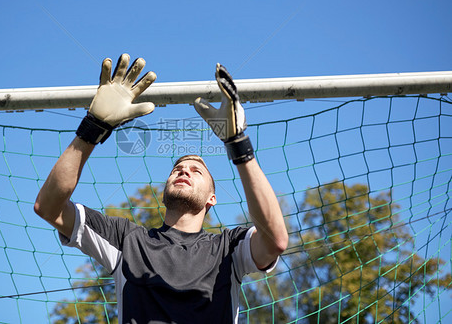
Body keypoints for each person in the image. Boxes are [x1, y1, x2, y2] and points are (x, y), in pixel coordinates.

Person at [34, 54, 288, 324]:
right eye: (177, 169)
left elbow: (276, 241)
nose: (184, 171)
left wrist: (238, 143)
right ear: (164, 189)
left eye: (196, 171)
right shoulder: (126, 240)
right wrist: (91, 127)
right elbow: (48, 207)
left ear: (212, 199)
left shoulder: (229, 248)